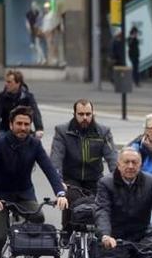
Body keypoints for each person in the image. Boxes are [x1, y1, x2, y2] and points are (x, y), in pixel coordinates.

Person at [0, 106, 68, 258]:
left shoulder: (34, 144)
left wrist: (60, 193)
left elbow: (49, 169)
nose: (23, 128)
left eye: (26, 124)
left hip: (24, 193)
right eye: (19, 124)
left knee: (38, 218)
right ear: (11, 125)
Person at [50, 99, 117, 240]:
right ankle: (66, 233)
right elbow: (56, 159)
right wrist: (59, 182)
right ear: (74, 114)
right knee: (70, 199)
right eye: (81, 114)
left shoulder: (103, 132)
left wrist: (117, 180)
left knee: (102, 203)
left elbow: (113, 159)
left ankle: (102, 236)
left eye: (88, 114)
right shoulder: (62, 131)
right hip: (71, 178)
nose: (85, 118)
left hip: (95, 178)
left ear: (93, 114)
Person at [0, 70, 44, 139]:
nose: (6, 84)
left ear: (18, 83)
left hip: (23, 128)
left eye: (9, 82)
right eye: (6, 81)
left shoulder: (27, 97)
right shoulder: (1, 96)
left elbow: (35, 112)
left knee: (34, 143)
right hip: (5, 128)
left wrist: (39, 128)